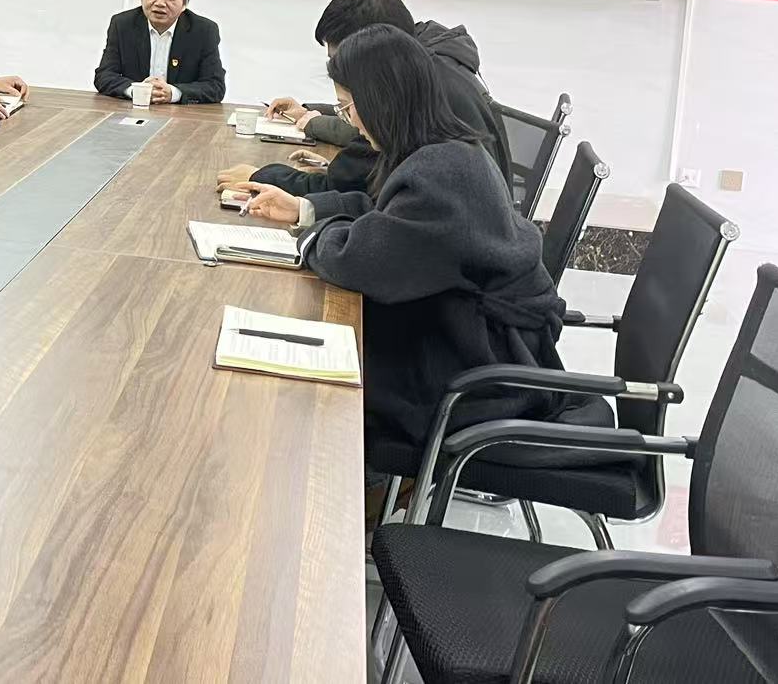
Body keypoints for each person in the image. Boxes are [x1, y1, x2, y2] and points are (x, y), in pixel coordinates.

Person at [231, 25, 575, 465]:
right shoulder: (442, 149)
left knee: (306, 391)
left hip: (480, 378)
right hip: (471, 343)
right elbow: (385, 216)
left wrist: (311, 234)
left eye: (348, 107)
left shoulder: (441, 174)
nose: (352, 123)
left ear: (380, 100)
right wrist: (303, 209)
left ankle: (332, 493)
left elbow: (358, 260)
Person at [218, 0, 509, 198]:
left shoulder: (417, 91)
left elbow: (347, 185)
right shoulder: (426, 66)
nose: (337, 70)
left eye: (340, 60)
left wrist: (262, 177)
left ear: (372, 47)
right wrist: (311, 113)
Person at [93, 0, 226, 104]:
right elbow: (104, 75)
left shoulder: (204, 31)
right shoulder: (122, 24)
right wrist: (137, 91)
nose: (160, 3)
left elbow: (215, 86)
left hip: (181, 114)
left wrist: (173, 93)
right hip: (132, 110)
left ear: (185, 3)